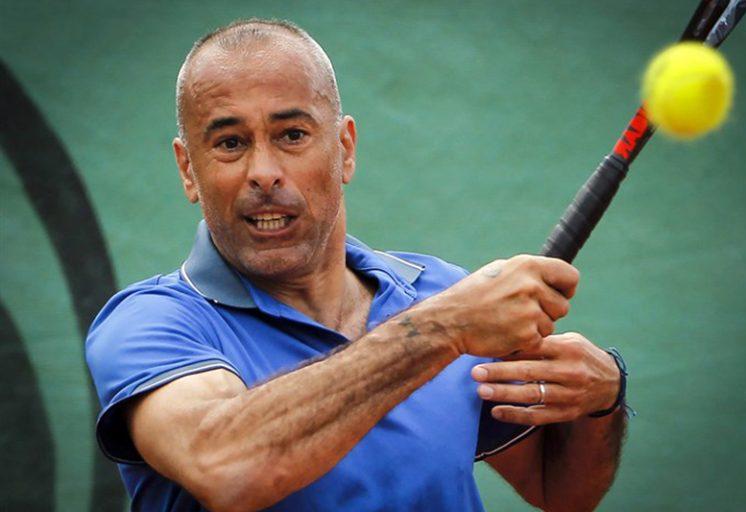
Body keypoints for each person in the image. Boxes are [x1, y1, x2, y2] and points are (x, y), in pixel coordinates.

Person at [86, 18, 628, 512]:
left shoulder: (443, 293)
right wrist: (440, 330)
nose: (264, 172)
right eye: (230, 143)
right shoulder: (147, 325)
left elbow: (562, 490)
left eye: (292, 135)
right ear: (188, 169)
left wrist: (604, 400)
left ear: (345, 149)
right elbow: (227, 468)